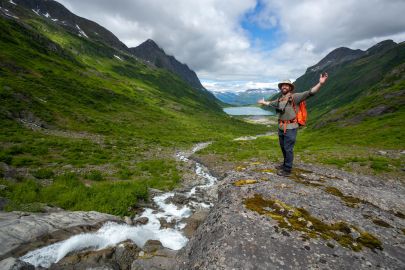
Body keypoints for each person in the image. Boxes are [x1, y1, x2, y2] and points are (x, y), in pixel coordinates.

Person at [258, 73, 329, 176]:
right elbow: (271, 104)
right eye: (283, 85)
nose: (284, 87)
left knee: (288, 148)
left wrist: (320, 83)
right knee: (283, 147)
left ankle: (287, 170)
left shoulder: (295, 97)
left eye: (286, 85)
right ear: (281, 88)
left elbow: (310, 93)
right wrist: (264, 102)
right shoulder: (279, 99)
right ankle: (284, 164)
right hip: (281, 127)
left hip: (291, 127)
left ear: (290, 88)